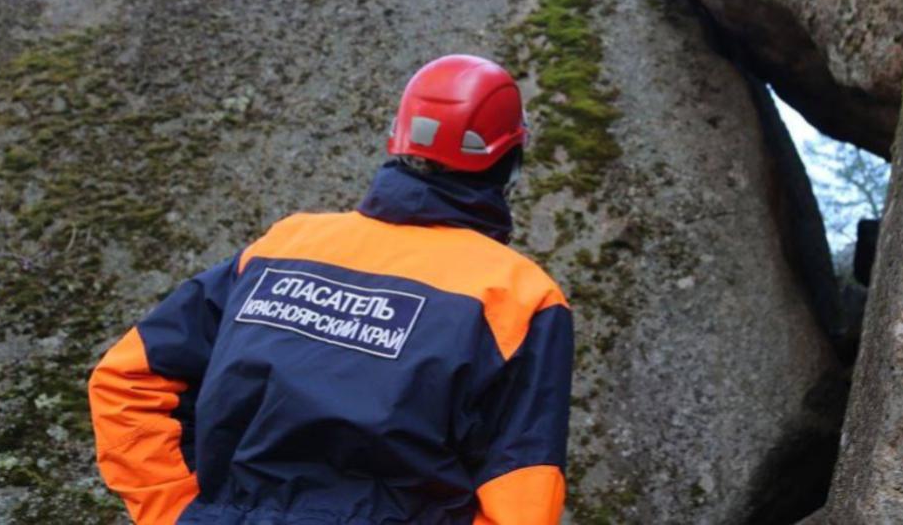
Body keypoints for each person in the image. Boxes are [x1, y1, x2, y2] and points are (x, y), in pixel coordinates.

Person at [88, 55, 574, 525]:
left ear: (398, 143)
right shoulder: (519, 295)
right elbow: (522, 485)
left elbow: (127, 380)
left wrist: (179, 512)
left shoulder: (286, 244)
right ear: (510, 163)